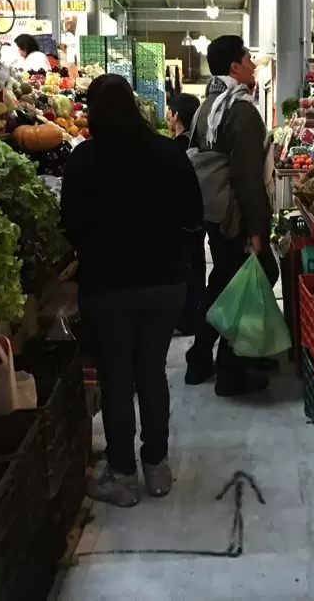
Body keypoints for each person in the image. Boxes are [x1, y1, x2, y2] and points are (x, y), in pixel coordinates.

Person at [61, 74, 203, 508]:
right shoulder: (168, 152)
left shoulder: (84, 160)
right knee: (152, 373)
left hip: (107, 286)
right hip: (164, 283)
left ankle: (122, 476)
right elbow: (194, 216)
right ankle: (157, 468)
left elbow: (70, 224)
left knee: (117, 380)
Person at [187, 35, 278, 396]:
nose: (254, 65)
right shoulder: (241, 110)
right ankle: (231, 368)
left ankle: (200, 356)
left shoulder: (207, 106)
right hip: (235, 216)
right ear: (234, 67)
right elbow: (246, 175)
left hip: (215, 211)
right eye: (248, 58)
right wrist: (256, 228)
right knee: (252, 276)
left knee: (224, 280)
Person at [167, 93, 205, 335]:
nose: (168, 117)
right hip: (199, 218)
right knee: (197, 267)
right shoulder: (200, 145)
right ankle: (194, 316)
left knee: (184, 269)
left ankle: (187, 318)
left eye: (169, 112)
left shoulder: (175, 149)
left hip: (180, 221)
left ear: (176, 115)